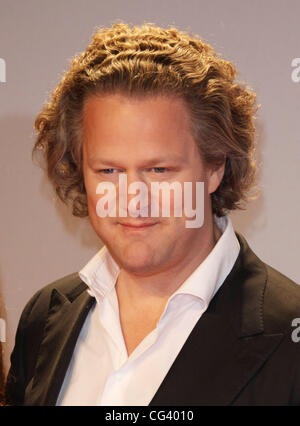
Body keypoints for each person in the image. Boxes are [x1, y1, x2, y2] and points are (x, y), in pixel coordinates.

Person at [6, 22, 300, 406]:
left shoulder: (288, 341)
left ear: (215, 168)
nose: (132, 199)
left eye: (159, 170)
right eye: (108, 171)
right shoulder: (44, 317)